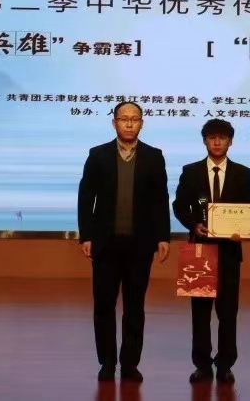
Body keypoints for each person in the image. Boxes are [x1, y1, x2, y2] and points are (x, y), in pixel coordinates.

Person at [78, 101, 172, 382]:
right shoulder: (98, 155)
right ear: (114, 123)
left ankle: (130, 364)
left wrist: (163, 237)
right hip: (105, 245)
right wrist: (86, 235)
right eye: (124, 118)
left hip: (140, 246)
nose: (129, 123)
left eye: (134, 119)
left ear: (142, 123)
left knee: (135, 307)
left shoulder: (154, 156)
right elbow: (86, 197)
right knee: (104, 306)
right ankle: (107, 363)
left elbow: (161, 200)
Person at [172, 119, 250, 384]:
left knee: (228, 312)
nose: (217, 142)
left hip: (229, 251)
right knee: (200, 312)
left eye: (222, 137)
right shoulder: (190, 171)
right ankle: (202, 364)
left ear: (231, 141)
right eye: (212, 137)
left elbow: (245, 210)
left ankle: (226, 363)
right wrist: (193, 224)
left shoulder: (242, 173)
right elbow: (179, 206)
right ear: (204, 141)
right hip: (200, 250)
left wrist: (243, 229)